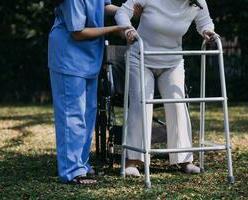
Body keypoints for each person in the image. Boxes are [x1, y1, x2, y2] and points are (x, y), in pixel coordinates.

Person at [115, 0, 216, 176]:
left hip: (172, 60)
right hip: (141, 57)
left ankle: (185, 160)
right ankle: (132, 161)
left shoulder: (198, 2)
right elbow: (122, 12)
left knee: (178, 105)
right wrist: (128, 29)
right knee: (141, 104)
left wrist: (208, 32)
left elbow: (205, 22)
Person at [48, 0, 130, 184]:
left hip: (89, 58)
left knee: (88, 113)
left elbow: (102, 6)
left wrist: (129, 11)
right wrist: (114, 29)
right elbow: (77, 32)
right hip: (68, 57)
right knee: (72, 114)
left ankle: (81, 164)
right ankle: (72, 170)